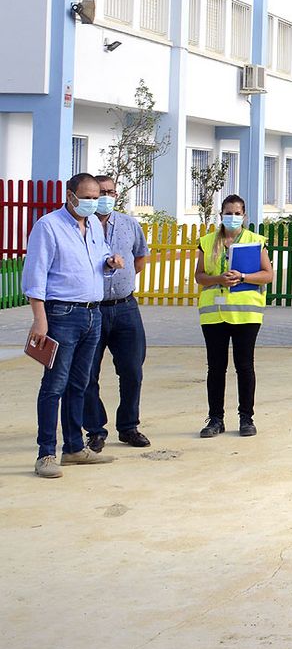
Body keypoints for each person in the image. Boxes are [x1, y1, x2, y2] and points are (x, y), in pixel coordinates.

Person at [22, 173, 119, 478]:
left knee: (80, 384)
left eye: (96, 197)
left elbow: (99, 259)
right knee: (55, 385)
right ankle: (46, 453)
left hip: (93, 313)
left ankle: (74, 447)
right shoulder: (48, 226)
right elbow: (35, 274)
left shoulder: (92, 226)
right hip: (62, 314)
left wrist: (110, 262)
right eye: (87, 196)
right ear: (70, 195)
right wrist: (40, 318)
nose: (93, 202)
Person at [192, 194, 274, 438]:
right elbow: (199, 276)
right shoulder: (207, 242)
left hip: (246, 314)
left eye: (238, 213)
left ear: (244, 215)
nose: (233, 217)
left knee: (245, 366)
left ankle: (246, 418)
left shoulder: (255, 241)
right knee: (216, 368)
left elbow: (268, 274)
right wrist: (219, 279)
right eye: (229, 212)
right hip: (214, 315)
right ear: (221, 215)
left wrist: (243, 277)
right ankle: (215, 418)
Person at [83, 173, 152, 451]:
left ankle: (128, 426)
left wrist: (122, 280)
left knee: (132, 369)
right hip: (93, 310)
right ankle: (96, 430)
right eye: (101, 192)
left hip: (125, 307)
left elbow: (140, 256)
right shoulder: (81, 226)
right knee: (88, 373)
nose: (106, 197)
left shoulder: (128, 223)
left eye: (111, 192)